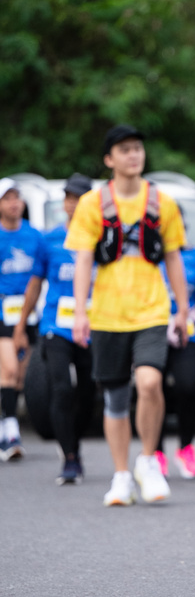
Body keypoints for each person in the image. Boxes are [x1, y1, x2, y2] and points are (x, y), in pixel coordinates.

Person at [66, 124, 190, 507]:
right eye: (124, 149)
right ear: (109, 159)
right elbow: (83, 260)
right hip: (107, 314)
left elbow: (173, 257)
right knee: (116, 398)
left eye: (137, 148)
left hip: (152, 310)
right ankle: (121, 475)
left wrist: (183, 309)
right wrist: (80, 311)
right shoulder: (92, 203)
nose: (133, 154)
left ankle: (148, 461)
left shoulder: (162, 202)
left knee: (150, 383)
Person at [14, 173, 96, 485]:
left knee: (88, 392)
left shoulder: (103, 240)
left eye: (79, 199)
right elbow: (35, 284)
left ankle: (74, 442)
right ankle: (70, 457)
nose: (73, 204)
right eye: (69, 198)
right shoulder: (49, 240)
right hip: (56, 326)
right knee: (61, 388)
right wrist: (22, 325)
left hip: (93, 327)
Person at [155, 224, 195, 479]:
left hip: (187, 328)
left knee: (188, 387)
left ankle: (186, 449)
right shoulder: (148, 256)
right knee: (153, 389)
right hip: (152, 329)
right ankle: (155, 453)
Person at [0, 178, 46, 462]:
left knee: (20, 375)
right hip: (2, 311)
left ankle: (6, 419)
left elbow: (40, 275)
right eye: (7, 198)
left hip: (28, 312)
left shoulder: (35, 236)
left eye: (16, 197)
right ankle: (11, 431)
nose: (13, 203)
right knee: (8, 370)